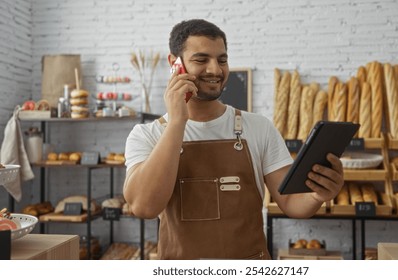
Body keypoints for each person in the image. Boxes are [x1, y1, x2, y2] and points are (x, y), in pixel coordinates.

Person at [123, 19, 344, 260]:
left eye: (222, 60)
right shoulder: (146, 135)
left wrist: (317, 195)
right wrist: (177, 121)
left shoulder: (258, 127)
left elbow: (292, 202)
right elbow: (144, 207)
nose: (215, 70)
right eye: (201, 59)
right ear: (175, 64)